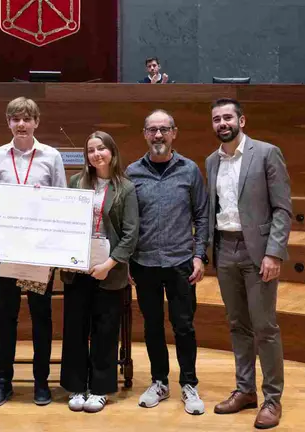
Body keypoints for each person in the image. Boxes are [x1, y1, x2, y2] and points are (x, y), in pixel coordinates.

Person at [207, 98, 291, 429]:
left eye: (228, 117)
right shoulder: (211, 160)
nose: (222, 123)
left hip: (258, 251)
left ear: (242, 121)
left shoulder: (267, 153)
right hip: (225, 249)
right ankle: (245, 391)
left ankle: (272, 399)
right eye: (216, 119)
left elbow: (282, 208)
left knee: (265, 327)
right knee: (237, 325)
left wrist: (274, 252)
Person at [0, 96, 67, 407]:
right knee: (6, 317)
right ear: (8, 122)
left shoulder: (51, 156)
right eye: (15, 119)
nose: (21, 124)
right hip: (5, 252)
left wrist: (55, 248)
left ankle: (41, 382)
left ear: (36, 122)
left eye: (26, 119)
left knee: (40, 316)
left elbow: (61, 202)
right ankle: (3, 381)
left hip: (38, 253)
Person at [126, 110, 208, 415]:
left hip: (180, 262)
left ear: (174, 132)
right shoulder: (132, 172)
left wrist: (199, 255)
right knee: (152, 327)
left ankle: (189, 384)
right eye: (152, 130)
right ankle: (159, 381)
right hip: (144, 263)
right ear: (144, 134)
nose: (158, 135)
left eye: (164, 130)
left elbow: (201, 214)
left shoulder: (190, 170)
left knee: (183, 325)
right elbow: (127, 220)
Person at [60, 131, 139, 413]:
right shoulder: (75, 182)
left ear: (112, 152)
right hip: (77, 268)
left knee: (105, 330)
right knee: (75, 329)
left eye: (101, 148)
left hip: (110, 270)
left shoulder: (125, 188)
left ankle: (100, 388)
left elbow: (131, 234)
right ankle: (76, 386)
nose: (96, 154)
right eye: (91, 150)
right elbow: (65, 223)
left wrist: (109, 265)